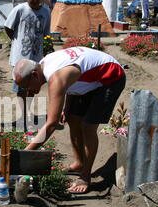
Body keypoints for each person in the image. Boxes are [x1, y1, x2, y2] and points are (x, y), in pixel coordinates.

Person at [12, 47, 126, 194]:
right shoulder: (43, 64)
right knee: (72, 118)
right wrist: (67, 107)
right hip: (89, 76)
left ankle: (85, 176)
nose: (27, 91)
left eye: (26, 86)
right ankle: (79, 163)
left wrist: (24, 153)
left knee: (88, 126)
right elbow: (71, 80)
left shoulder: (56, 77)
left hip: (110, 77)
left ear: (34, 74)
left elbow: (51, 124)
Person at [4, 0, 51, 126]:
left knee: (32, 87)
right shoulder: (20, 9)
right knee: (20, 87)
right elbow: (8, 27)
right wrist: (16, 41)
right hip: (20, 57)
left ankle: (28, 112)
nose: (35, 1)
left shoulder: (46, 12)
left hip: (36, 56)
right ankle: (22, 115)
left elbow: (45, 33)